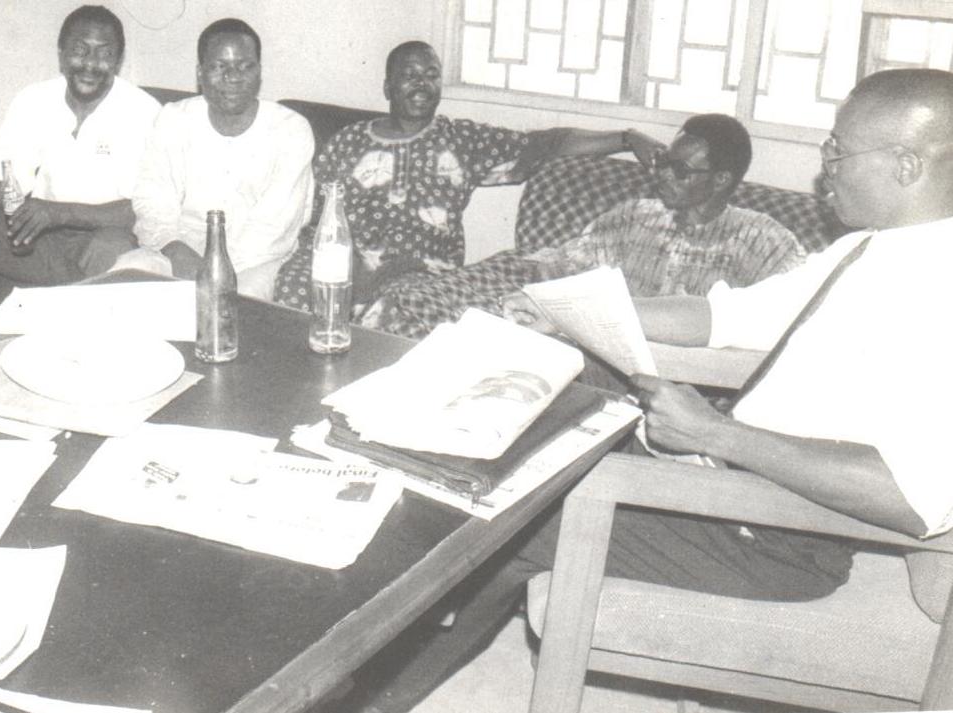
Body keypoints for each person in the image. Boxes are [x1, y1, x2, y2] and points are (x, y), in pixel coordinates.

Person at [345, 68, 953, 713]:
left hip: (769, 533)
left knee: (504, 519)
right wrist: (566, 311)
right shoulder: (868, 250)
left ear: (907, 165)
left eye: (838, 149)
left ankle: (365, 690)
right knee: (533, 378)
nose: (823, 166)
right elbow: (723, 315)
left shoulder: (938, 291)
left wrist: (717, 434)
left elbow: (912, 498)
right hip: (720, 479)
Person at [272, 41, 659, 317]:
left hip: (421, 269)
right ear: (388, 86)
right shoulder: (348, 141)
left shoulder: (462, 139)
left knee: (396, 310)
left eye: (431, 75)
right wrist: (349, 264)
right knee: (292, 286)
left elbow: (548, 143)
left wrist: (627, 138)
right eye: (409, 75)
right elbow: (317, 217)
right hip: (344, 257)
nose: (422, 84)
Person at [370, 113, 808, 339]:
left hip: (656, 365)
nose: (662, 175)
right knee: (413, 301)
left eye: (680, 170)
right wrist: (501, 284)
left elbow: (798, 306)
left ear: (722, 180)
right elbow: (561, 263)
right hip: (584, 334)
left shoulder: (759, 238)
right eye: (664, 162)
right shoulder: (637, 215)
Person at [0, 5, 161, 315]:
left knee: (113, 247)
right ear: (61, 54)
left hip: (101, 242)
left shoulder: (145, 112)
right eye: (80, 50)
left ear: (118, 61)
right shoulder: (33, 100)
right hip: (38, 238)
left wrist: (58, 214)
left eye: (105, 54)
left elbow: (143, 211)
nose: (90, 64)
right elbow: (6, 181)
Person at [119, 18, 315, 300]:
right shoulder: (174, 119)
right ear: (200, 73)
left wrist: (214, 271)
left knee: (237, 304)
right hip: (181, 250)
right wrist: (174, 249)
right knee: (128, 272)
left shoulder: (290, 129)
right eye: (219, 66)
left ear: (259, 72)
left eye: (245, 66)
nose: (233, 77)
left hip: (256, 262)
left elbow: (273, 228)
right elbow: (153, 199)